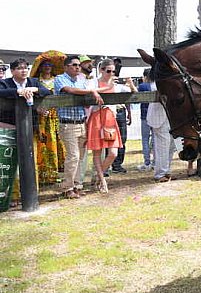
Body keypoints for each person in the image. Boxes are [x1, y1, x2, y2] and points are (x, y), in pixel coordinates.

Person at [0, 58, 51, 206]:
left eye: (25, 68)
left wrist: (34, 90)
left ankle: (32, 193)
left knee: (31, 161)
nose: (23, 71)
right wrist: (18, 91)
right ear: (12, 71)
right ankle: (14, 196)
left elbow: (47, 91)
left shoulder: (33, 82)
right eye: (20, 68)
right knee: (12, 163)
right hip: (10, 128)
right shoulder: (5, 83)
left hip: (30, 129)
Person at [54, 55, 104, 199]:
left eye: (78, 65)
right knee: (73, 156)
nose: (77, 67)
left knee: (80, 156)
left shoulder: (82, 81)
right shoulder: (60, 79)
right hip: (67, 123)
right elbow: (70, 90)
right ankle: (68, 187)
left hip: (82, 122)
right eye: (74, 65)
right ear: (66, 67)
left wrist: (91, 94)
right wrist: (91, 91)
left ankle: (76, 185)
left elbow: (86, 102)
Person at [85, 59, 130, 193]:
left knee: (113, 153)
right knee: (97, 152)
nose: (110, 73)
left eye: (113, 71)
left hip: (110, 117)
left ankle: (99, 176)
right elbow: (88, 89)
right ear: (101, 70)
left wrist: (131, 83)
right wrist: (95, 92)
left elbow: (130, 91)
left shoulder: (115, 84)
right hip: (96, 116)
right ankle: (102, 180)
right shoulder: (93, 81)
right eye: (108, 71)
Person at [30, 53, 67, 184]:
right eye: (44, 65)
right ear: (40, 67)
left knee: (56, 142)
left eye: (49, 65)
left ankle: (53, 173)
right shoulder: (35, 81)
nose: (47, 67)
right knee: (42, 143)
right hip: (40, 117)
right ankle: (41, 174)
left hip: (55, 116)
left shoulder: (57, 80)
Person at [146, 71, 175, 183]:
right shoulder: (155, 81)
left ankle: (167, 170)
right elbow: (160, 91)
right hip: (159, 117)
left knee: (171, 145)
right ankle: (160, 174)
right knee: (162, 145)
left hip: (170, 117)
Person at [110, 69, 137, 174]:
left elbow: (134, 92)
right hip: (109, 113)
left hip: (120, 111)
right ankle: (108, 164)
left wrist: (130, 83)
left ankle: (117, 164)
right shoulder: (101, 85)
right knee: (109, 138)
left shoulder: (120, 87)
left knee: (122, 139)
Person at [136, 68, 154, 171]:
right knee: (155, 139)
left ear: (145, 77)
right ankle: (156, 162)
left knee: (145, 139)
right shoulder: (155, 86)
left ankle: (147, 162)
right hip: (154, 116)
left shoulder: (142, 86)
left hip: (144, 116)